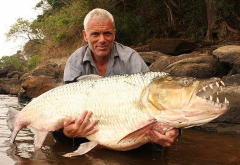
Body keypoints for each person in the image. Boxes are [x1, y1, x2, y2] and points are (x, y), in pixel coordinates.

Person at [52, 8, 180, 150]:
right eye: (95, 34)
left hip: (127, 122)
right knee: (61, 137)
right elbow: (64, 105)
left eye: (107, 33)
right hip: (89, 125)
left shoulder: (131, 58)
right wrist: (67, 132)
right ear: (85, 36)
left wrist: (175, 130)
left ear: (114, 33)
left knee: (157, 144)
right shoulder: (74, 62)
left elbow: (156, 101)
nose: (102, 40)